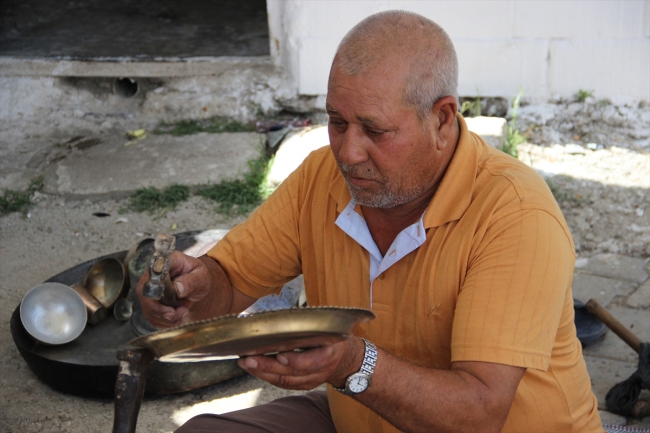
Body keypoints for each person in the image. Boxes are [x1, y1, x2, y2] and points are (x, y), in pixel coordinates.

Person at [139, 10, 605, 433]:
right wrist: (192, 292)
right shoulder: (320, 178)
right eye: (337, 122)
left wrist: (351, 364)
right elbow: (230, 283)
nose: (348, 153)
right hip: (364, 418)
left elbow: (478, 415)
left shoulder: (516, 215)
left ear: (443, 120)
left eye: (375, 130)